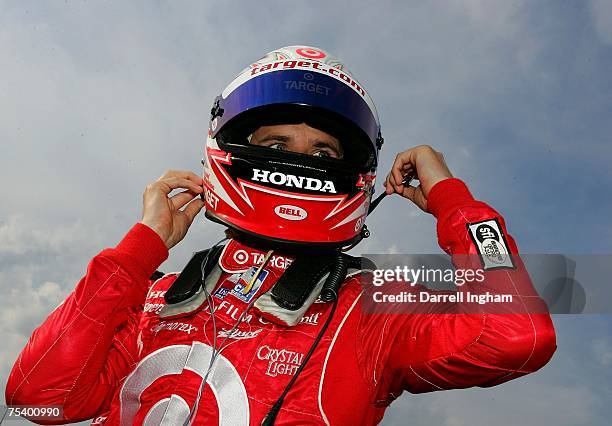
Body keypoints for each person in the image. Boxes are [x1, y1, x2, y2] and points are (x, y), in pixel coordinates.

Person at [5, 46, 556, 425]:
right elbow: (40, 398)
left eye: (322, 152)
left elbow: (515, 334)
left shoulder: (369, 306)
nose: (300, 163)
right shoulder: (155, 295)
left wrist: (451, 198)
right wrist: (140, 247)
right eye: (276, 145)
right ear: (232, 146)